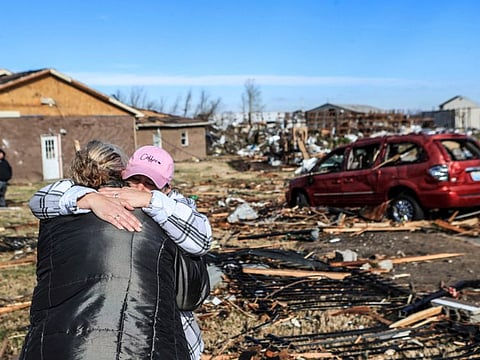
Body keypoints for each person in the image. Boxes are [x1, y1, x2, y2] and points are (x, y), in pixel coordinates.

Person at [29, 144, 212, 360]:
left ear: (166, 188)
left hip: (168, 324)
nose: (141, 188)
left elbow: (202, 239)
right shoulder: (101, 195)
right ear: (123, 174)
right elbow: (38, 201)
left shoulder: (173, 205)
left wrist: (151, 201)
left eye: (151, 184)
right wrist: (89, 198)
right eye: (135, 179)